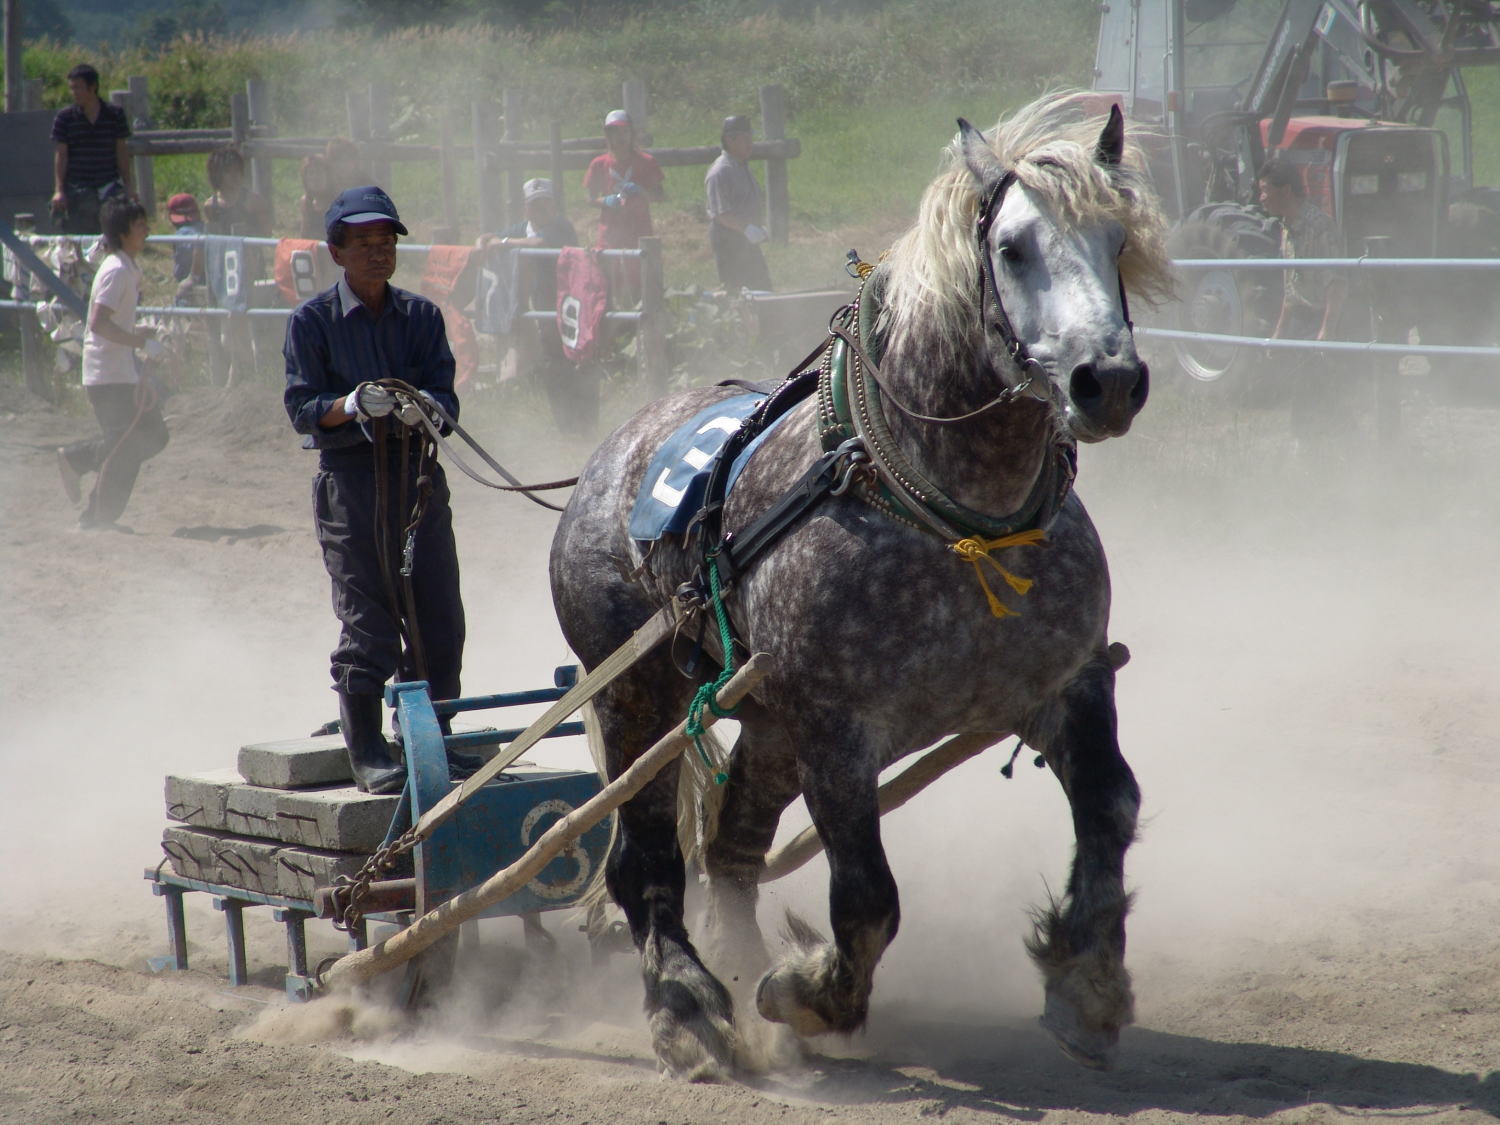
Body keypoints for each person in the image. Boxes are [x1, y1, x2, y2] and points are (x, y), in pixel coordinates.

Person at [283, 185, 478, 795]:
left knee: (439, 619)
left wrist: (422, 411)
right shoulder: (311, 322)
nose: (377, 252)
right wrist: (350, 404)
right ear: (337, 252)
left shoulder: (421, 318)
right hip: (351, 486)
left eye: (386, 241)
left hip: (418, 483)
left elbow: (445, 397)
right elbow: (301, 407)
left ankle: (432, 741)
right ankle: (367, 750)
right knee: (367, 623)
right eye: (363, 242)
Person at [57, 195, 168, 532]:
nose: (146, 230)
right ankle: (93, 510)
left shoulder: (125, 268)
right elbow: (98, 323)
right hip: (108, 374)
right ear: (123, 233)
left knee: (149, 436)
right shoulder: (117, 270)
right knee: (125, 444)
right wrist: (139, 341)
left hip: (117, 371)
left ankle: (84, 476)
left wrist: (138, 333)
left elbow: (108, 322)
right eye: (139, 225)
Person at [476, 177, 595, 433]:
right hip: (541, 307)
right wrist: (482, 244)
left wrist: (504, 243)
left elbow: (540, 243)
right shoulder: (523, 227)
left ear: (553, 205)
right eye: (534, 205)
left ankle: (585, 421)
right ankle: (566, 424)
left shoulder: (560, 226)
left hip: (569, 304)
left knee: (574, 359)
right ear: (525, 208)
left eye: (544, 204)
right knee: (552, 363)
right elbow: (491, 236)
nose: (540, 210)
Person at [1258, 156, 1354, 439]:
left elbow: (1336, 280)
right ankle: (1332, 443)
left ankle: (1307, 447)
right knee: (1306, 385)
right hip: (1300, 319)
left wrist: (1327, 330)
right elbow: (1292, 286)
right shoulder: (1286, 227)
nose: (1261, 198)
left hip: (1320, 318)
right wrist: (1278, 332)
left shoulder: (1318, 226)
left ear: (1285, 190)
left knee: (1310, 385)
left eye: (1265, 190)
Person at [583, 109, 664, 300]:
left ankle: (642, 325)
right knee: (608, 285)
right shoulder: (599, 164)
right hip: (610, 234)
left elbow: (660, 196)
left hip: (639, 231)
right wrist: (606, 201)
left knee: (640, 284)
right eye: (615, 132)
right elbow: (589, 198)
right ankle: (612, 326)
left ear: (632, 134)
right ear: (608, 135)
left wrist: (642, 192)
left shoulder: (646, 162)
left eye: (625, 132)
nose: (621, 137)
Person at [49, 63, 133, 235]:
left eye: (78, 87)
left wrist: (129, 185)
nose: (74, 92)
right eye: (72, 88)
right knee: (82, 235)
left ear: (92, 87)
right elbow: (61, 155)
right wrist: (59, 190)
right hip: (79, 186)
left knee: (114, 233)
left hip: (108, 183)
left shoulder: (114, 114)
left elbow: (121, 152)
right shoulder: (65, 118)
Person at [705, 114, 773, 292]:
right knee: (737, 292)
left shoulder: (742, 166)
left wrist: (756, 228)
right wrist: (747, 229)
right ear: (730, 140)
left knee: (762, 289)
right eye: (744, 139)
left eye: (750, 138)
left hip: (747, 241)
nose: (750, 143)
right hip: (729, 242)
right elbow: (721, 214)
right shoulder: (720, 171)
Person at [165, 192, 205, 301]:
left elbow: (199, 244)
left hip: (192, 291)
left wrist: (193, 277)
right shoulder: (205, 228)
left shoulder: (183, 234)